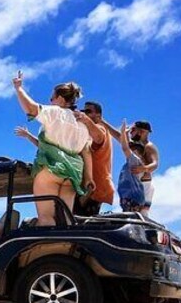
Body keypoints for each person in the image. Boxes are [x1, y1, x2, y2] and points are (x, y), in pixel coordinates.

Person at [13, 71, 94, 226]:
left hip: (51, 169)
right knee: (66, 220)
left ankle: (48, 249)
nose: (50, 100)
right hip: (73, 174)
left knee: (46, 218)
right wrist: (89, 177)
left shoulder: (55, 112)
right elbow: (86, 152)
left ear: (62, 99)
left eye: (53, 97)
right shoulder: (83, 123)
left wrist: (19, 89)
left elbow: (31, 108)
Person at [103, 119, 158, 214]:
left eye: (133, 130)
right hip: (134, 183)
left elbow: (155, 164)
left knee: (142, 213)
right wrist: (102, 122)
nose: (131, 132)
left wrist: (143, 168)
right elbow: (120, 138)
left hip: (144, 185)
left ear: (142, 132)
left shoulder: (148, 146)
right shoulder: (134, 144)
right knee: (130, 210)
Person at [72, 101, 115, 216]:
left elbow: (99, 137)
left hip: (93, 188)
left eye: (88, 111)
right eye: (83, 111)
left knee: (79, 224)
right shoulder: (89, 132)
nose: (84, 113)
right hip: (92, 187)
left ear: (98, 116)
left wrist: (85, 119)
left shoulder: (100, 128)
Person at [117, 121, 148, 213]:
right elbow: (128, 147)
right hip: (134, 197)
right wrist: (126, 135)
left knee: (129, 216)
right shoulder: (136, 162)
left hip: (132, 198)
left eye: (132, 149)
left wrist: (122, 132)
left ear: (137, 152)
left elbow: (125, 148)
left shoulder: (135, 160)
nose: (130, 151)